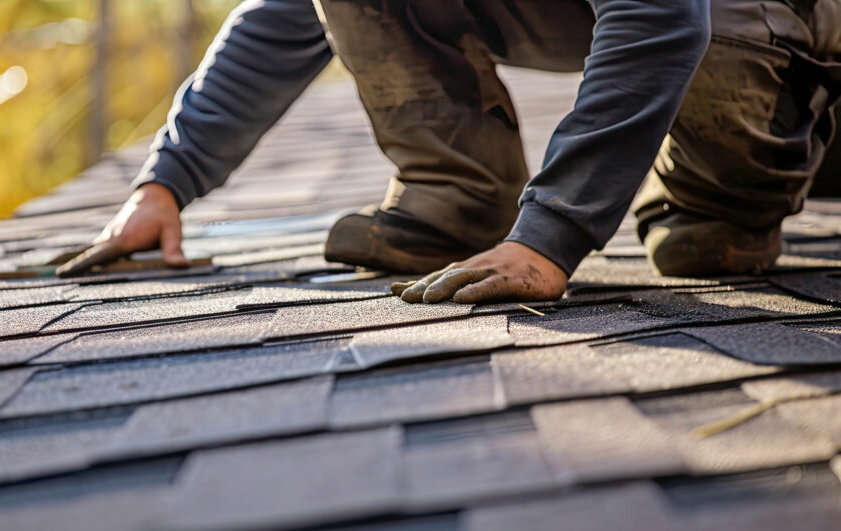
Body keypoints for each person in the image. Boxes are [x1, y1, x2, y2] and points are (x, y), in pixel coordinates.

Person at [58, 0, 840, 307]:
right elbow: (282, 14)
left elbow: (661, 18)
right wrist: (166, 180)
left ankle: (737, 194)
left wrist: (551, 236)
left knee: (702, 249)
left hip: (760, 24)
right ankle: (456, 194)